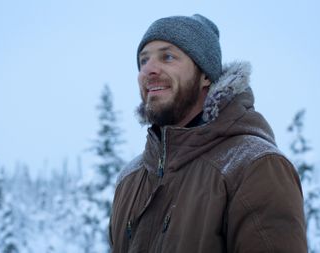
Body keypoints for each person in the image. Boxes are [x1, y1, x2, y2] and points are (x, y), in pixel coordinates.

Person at [109, 14, 307, 253]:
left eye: (168, 57)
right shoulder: (131, 178)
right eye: (143, 61)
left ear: (205, 74)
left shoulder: (254, 166)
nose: (148, 70)